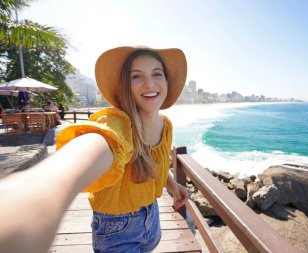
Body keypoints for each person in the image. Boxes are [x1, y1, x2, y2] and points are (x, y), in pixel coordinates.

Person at [0, 46, 189, 253]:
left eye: (157, 74)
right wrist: (44, 189)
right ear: (125, 85)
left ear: (166, 81)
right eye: (137, 76)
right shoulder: (117, 122)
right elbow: (98, 143)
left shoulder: (166, 125)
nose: (149, 83)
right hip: (117, 228)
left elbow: (156, 164)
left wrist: (171, 184)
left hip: (151, 218)